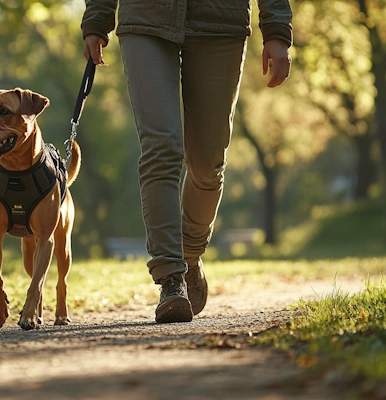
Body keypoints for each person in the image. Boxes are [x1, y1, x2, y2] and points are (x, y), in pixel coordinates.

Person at [81, 0, 293, 323]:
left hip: (219, 21)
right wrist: (98, 18)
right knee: (161, 146)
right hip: (146, 18)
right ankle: (171, 278)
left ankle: (189, 252)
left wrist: (276, 28)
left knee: (208, 163)